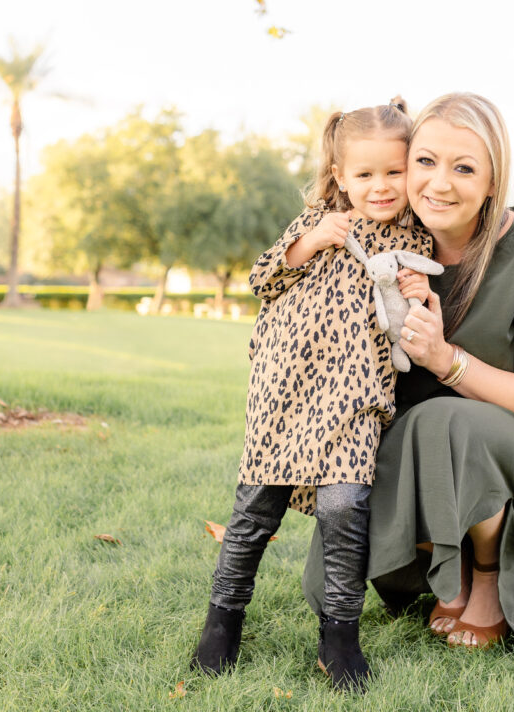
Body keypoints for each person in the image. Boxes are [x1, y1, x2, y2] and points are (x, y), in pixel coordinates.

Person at [302, 92, 514, 649]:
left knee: (447, 420)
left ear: (492, 182)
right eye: (426, 161)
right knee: (337, 560)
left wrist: (447, 361)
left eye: (464, 168)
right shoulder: (384, 239)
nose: (439, 183)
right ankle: (446, 563)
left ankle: (486, 576)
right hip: (418, 448)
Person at [192, 100, 438, 690]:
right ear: (339, 176)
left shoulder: (417, 237)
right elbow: (260, 277)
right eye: (364, 175)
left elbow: (418, 315)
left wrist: (420, 291)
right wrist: (309, 243)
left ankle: (339, 635)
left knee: (345, 507)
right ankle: (223, 618)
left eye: (394, 172)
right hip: (285, 388)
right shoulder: (321, 223)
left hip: (356, 393)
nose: (379, 187)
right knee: (256, 508)